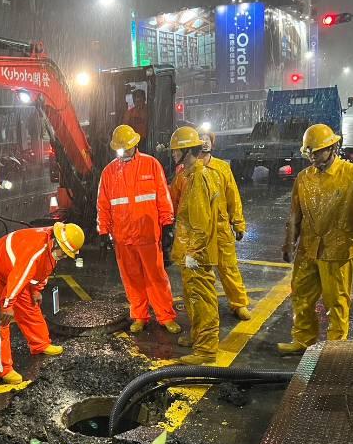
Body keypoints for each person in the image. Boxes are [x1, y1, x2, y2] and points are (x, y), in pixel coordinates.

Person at [278, 124, 353, 355]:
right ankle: (303, 340)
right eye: (310, 153)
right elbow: (295, 214)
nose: (313, 157)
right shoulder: (304, 178)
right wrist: (289, 243)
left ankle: (335, 350)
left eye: (318, 152)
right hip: (308, 249)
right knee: (302, 297)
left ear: (333, 148)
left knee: (336, 302)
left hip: (337, 250)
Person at [97, 124, 180, 334]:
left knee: (156, 277)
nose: (123, 153)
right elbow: (103, 204)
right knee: (132, 279)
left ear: (135, 145)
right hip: (123, 238)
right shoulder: (109, 172)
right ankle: (140, 315)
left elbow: (163, 196)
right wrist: (103, 231)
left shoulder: (151, 165)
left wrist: (167, 224)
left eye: (126, 148)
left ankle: (165, 316)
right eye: (119, 149)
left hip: (148, 234)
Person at [0, 223, 85, 383]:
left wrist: (36, 289)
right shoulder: (36, 250)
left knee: (30, 305)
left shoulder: (52, 247)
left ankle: (40, 344)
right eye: (63, 253)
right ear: (56, 243)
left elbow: (43, 268)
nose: (64, 256)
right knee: (1, 319)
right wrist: (7, 305)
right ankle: (4, 369)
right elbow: (20, 276)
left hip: (15, 270)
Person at [170, 129, 250, 320]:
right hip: (200, 233)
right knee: (199, 277)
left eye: (208, 139)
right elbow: (176, 200)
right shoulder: (184, 173)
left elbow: (233, 196)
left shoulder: (222, 168)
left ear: (212, 144)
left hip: (221, 228)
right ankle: (204, 315)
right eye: (201, 139)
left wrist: (237, 222)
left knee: (228, 267)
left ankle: (239, 303)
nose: (205, 143)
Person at [168, 127, 220, 360]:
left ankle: (206, 349)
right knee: (192, 297)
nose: (172, 154)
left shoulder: (199, 177)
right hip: (190, 251)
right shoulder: (189, 175)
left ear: (187, 151)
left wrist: (193, 254)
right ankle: (198, 335)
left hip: (196, 254)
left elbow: (200, 222)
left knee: (203, 299)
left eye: (176, 150)